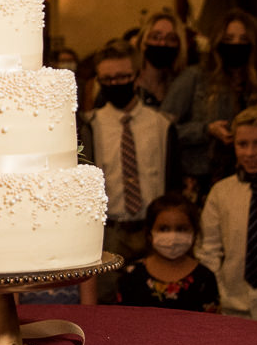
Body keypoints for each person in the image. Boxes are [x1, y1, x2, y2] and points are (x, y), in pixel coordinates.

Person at [78, 40, 182, 301]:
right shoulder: (91, 125)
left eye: (123, 77)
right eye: (108, 79)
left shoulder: (160, 124)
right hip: (110, 231)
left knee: (153, 302)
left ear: (137, 76)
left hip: (151, 228)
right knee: (108, 301)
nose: (116, 84)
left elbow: (172, 180)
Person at [162, 9, 257, 199]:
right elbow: (164, 129)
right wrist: (206, 130)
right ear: (218, 41)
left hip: (254, 179)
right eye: (229, 38)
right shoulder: (194, 78)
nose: (236, 45)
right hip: (201, 180)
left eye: (243, 39)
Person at [197, 105, 257, 326]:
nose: (250, 153)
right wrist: (219, 296)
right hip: (233, 310)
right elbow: (208, 252)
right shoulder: (221, 192)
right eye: (242, 144)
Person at [116, 193, 219, 312]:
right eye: (164, 229)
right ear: (150, 233)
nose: (172, 236)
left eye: (181, 229)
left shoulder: (204, 277)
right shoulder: (132, 274)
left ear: (194, 233)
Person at [133, 10, 188, 108]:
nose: (163, 43)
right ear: (143, 41)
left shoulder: (180, 85)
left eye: (171, 39)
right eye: (156, 37)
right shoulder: (127, 81)